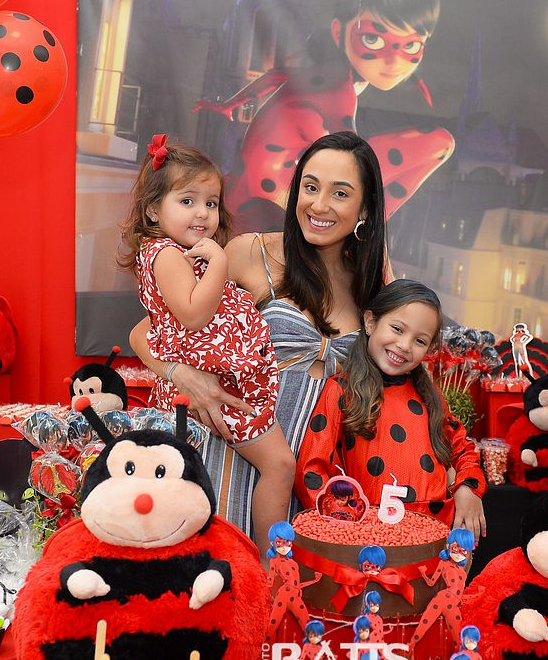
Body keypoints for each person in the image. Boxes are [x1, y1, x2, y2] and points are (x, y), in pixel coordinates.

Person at [129, 131, 388, 536]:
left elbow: (401, 368)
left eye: (340, 193)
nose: (319, 204)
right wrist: (182, 375)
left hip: (316, 479)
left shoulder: (372, 278)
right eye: (310, 187)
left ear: (365, 208)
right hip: (231, 454)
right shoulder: (252, 253)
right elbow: (147, 331)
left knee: (290, 572)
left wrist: (461, 477)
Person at [118, 134, 292, 557]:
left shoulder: (178, 253)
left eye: (211, 203)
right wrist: (220, 262)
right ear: (153, 209)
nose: (202, 212)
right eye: (187, 201)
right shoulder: (167, 255)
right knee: (280, 465)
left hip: (214, 383)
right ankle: (270, 566)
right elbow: (194, 315)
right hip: (212, 389)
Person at [194, 0, 454, 229]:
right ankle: (365, 227)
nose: (393, 62)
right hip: (271, 198)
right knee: (440, 143)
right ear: (338, 32)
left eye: (411, 46)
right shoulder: (338, 88)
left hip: (247, 189)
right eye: (372, 39)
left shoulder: (322, 74)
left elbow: (274, 76)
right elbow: (352, 159)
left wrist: (231, 103)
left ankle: (363, 224)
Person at [294, 280, 488, 534]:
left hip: (432, 538)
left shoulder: (430, 398)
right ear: (370, 322)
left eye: (419, 340)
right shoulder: (341, 391)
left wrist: (468, 488)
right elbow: (312, 471)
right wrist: (342, 531)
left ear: (429, 349)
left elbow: (463, 450)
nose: (405, 345)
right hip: (364, 542)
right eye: (397, 329)